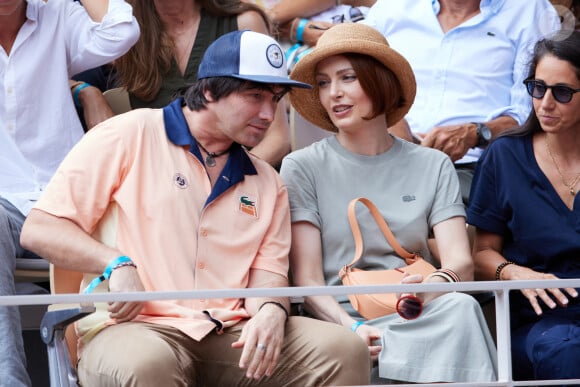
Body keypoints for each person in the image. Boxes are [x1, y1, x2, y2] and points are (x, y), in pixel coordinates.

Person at [20, 30, 370, 386]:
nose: (269, 113)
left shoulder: (268, 181)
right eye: (255, 96)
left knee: (342, 350)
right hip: (133, 328)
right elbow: (40, 229)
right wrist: (115, 263)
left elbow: (269, 277)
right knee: (148, 364)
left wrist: (270, 311)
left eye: (276, 99)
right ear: (208, 91)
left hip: (230, 332)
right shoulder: (128, 134)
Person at [280, 23, 496, 384]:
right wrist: (352, 328)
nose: (333, 93)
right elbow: (308, 280)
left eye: (347, 77)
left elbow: (460, 261)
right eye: (322, 82)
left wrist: (427, 290)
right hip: (342, 320)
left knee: (460, 307)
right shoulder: (302, 166)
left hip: (422, 310)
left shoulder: (433, 164)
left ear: (380, 81)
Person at [0, 1, 139, 386]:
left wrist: (85, 89)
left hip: (70, 196)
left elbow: (121, 32)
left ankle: (89, 374)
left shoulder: (57, 12)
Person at [360, 0, 560, 204]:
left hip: (472, 168)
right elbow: (353, 77)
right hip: (381, 158)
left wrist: (476, 133)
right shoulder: (392, 7)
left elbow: (536, 112)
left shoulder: (530, 11)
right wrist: (391, 120)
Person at [468, 30, 580, 382]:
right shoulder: (505, 156)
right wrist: (515, 273)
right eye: (537, 87)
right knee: (567, 351)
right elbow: (482, 252)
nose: (545, 103)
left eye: (561, 93)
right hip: (540, 319)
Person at [80, 0, 293, 168]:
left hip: (245, 183)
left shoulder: (242, 21)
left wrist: (226, 180)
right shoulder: (124, 32)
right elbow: (51, 63)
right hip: (161, 187)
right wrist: (84, 90)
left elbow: (278, 138)